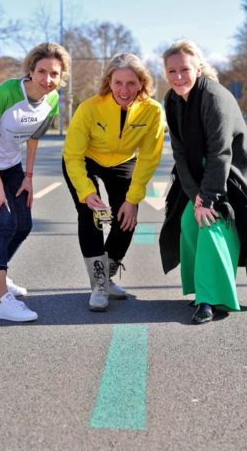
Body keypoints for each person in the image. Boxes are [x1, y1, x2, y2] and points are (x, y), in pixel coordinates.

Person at [158, 40, 247, 324]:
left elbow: (221, 153)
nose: (178, 76)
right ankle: (201, 288)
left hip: (233, 174)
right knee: (187, 222)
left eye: (184, 69)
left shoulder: (215, 97)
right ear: (165, 73)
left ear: (198, 68)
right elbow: (180, 153)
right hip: (199, 177)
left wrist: (207, 200)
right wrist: (195, 195)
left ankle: (212, 300)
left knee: (212, 223)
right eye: (172, 71)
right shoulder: (171, 100)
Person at [0, 42, 71, 322]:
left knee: (24, 224)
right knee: (2, 222)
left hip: (12, 166)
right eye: (42, 71)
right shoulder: (8, 92)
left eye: (54, 74)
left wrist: (29, 177)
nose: (47, 79)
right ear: (31, 70)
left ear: (61, 76)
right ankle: (1, 299)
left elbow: (34, 138)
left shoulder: (51, 101)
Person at [63, 53, 165, 312]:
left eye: (131, 83)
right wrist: (86, 192)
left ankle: (107, 277)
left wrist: (133, 199)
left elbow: (149, 157)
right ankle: (98, 284)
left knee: (127, 219)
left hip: (123, 162)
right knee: (91, 215)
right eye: (118, 82)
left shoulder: (152, 111)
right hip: (86, 159)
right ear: (109, 82)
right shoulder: (89, 107)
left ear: (142, 83)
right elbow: (72, 154)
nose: (124, 90)